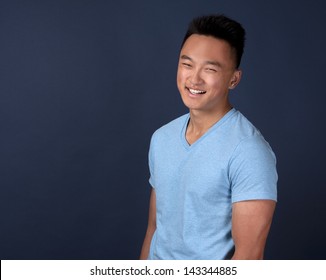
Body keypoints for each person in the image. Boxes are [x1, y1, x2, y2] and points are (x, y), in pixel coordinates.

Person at [140, 14, 277, 260]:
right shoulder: (161, 138)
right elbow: (155, 229)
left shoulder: (248, 150)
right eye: (187, 64)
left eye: (210, 69)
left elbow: (249, 256)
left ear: (233, 79)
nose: (194, 78)